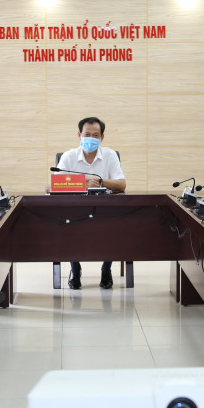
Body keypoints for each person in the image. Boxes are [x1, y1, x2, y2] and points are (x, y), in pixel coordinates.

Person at [60, 116, 126, 289]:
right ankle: (75, 269)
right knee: (67, 225)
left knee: (114, 227)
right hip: (75, 210)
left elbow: (121, 184)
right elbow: (57, 184)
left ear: (102, 137)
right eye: (87, 134)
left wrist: (99, 181)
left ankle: (106, 269)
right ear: (79, 135)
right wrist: (84, 182)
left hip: (105, 209)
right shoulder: (68, 156)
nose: (91, 138)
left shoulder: (110, 155)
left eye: (95, 135)